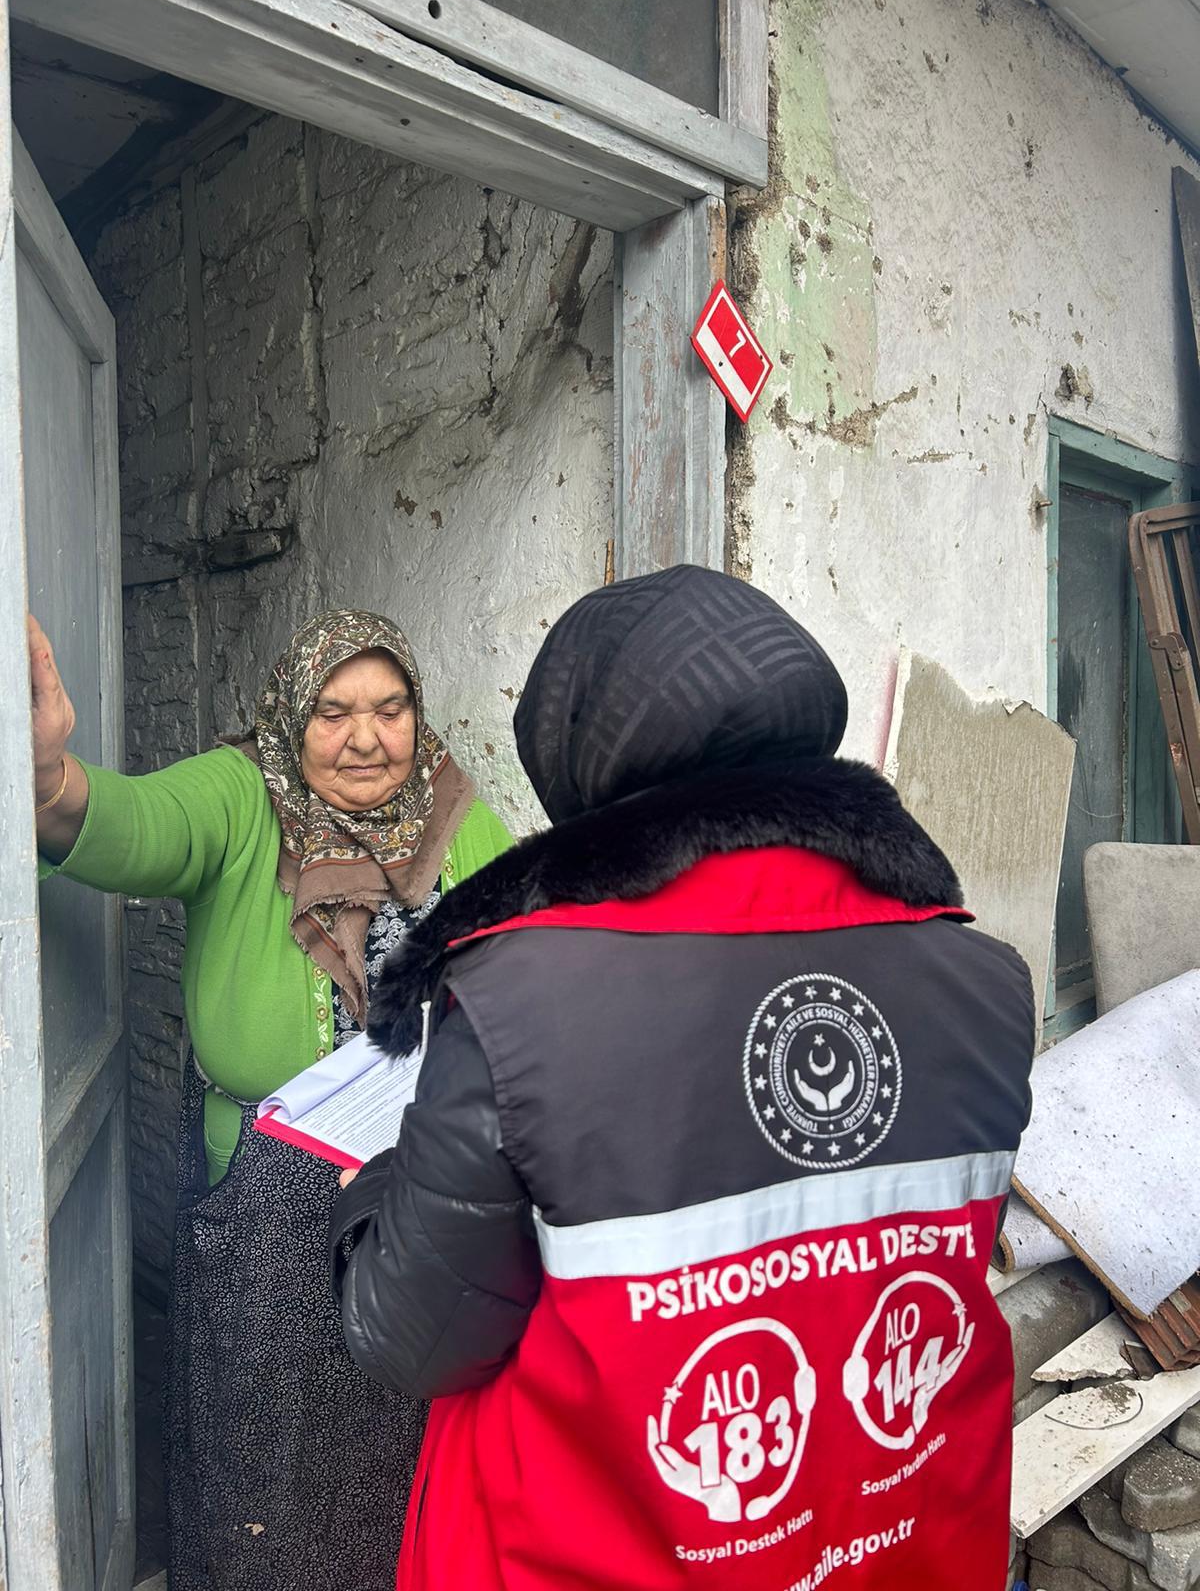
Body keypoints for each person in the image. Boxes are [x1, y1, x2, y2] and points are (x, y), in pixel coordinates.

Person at [332, 565, 1036, 1591]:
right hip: (898, 1543)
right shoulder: (983, 970)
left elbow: (413, 1337)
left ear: (578, 766)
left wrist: (372, 1199)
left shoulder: (525, 987)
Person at [29, 607, 511, 1591]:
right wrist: (49, 784)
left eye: (391, 708)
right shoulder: (243, 797)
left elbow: (527, 943)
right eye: (334, 712)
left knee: (399, 1449)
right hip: (265, 1205)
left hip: (422, 1202)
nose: (367, 738)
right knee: (264, 1466)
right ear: (294, 718)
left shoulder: (456, 816)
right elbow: (131, 824)